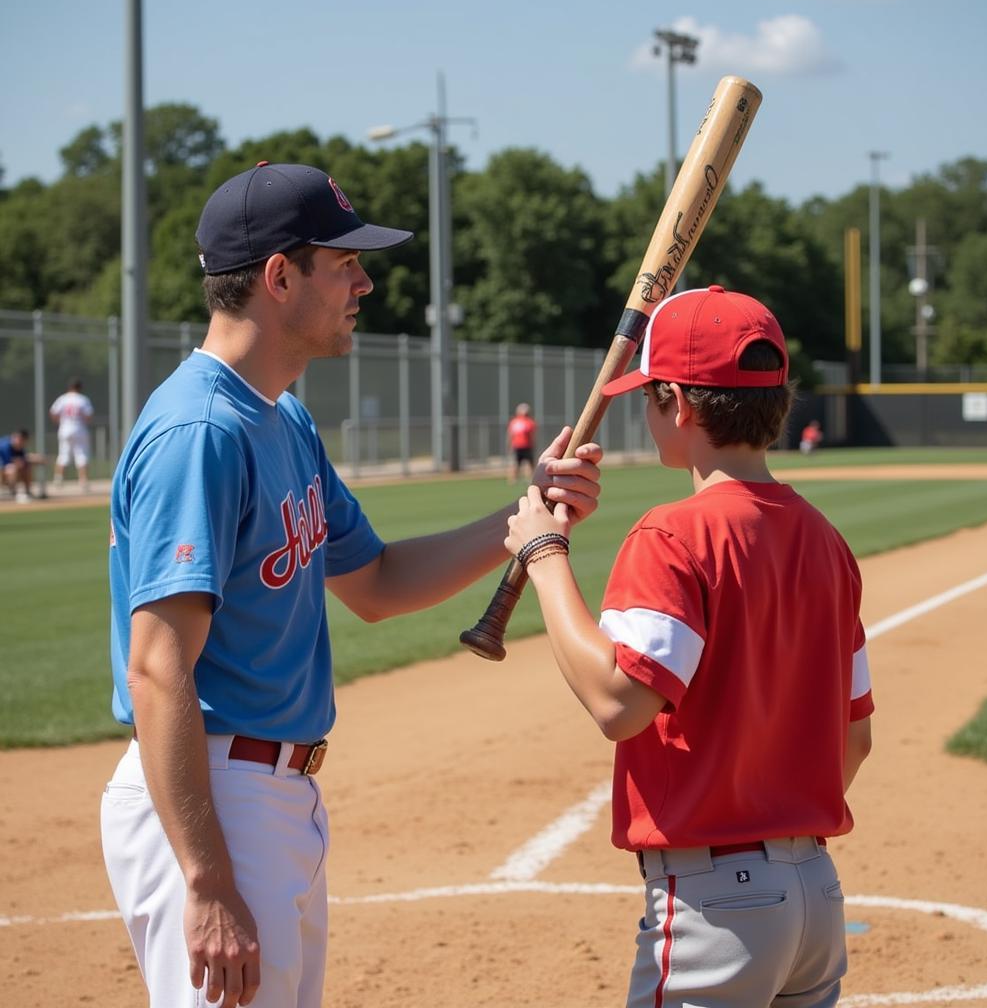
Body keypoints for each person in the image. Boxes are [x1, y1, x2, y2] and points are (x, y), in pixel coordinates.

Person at [99, 161, 603, 1008]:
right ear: (279, 276)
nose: (364, 282)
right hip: (213, 794)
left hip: (273, 795)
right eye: (346, 263)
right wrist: (208, 877)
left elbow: (376, 581)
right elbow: (156, 667)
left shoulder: (281, 415)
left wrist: (527, 519)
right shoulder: (202, 431)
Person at [505, 285, 873, 1007]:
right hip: (816, 896)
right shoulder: (829, 542)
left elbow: (618, 703)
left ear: (677, 403)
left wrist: (546, 559)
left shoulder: (673, 533)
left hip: (718, 906)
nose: (645, 414)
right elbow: (854, 741)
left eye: (648, 398)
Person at [50, 377, 94, 489]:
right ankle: (83, 481)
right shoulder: (83, 399)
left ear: (69, 387)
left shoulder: (62, 399)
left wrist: (60, 422)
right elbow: (88, 416)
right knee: (81, 455)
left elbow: (53, 412)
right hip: (79, 429)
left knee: (63, 454)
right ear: (80, 388)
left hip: (65, 429)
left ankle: (58, 479)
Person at [1, 427, 46, 503]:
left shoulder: (20, 448)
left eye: (23, 441)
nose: (21, 442)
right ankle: (13, 494)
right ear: (14, 437)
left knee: (26, 468)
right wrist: (31, 459)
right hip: (2, 473)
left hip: (6, 472)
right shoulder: (4, 446)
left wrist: (34, 459)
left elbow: (23, 459)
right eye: (20, 440)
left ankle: (28, 493)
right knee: (12, 468)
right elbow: (9, 463)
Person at [506, 401, 537, 483]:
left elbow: (531, 435)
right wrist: (509, 445)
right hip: (519, 446)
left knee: (530, 464)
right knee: (516, 464)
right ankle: (513, 479)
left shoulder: (527, 422)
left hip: (525, 446)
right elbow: (511, 435)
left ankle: (531, 479)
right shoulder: (516, 422)